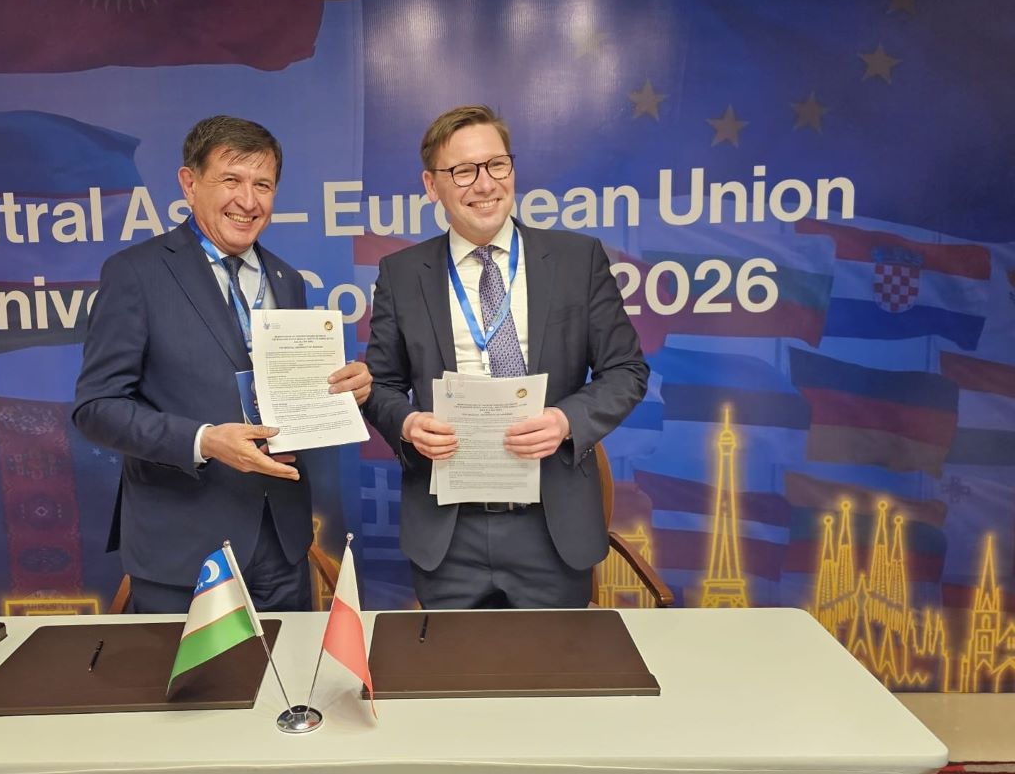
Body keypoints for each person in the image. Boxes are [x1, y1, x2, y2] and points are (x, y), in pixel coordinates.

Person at [74, 116, 370, 613]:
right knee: (196, 693)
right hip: (184, 548)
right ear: (189, 184)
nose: (248, 201)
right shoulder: (136, 273)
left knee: (286, 686)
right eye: (230, 180)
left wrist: (345, 390)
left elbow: (288, 395)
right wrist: (205, 440)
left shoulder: (287, 280)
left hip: (281, 543)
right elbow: (97, 407)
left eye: (263, 185)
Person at [363, 105, 648, 609]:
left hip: (551, 522)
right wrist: (407, 425)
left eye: (497, 165)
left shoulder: (576, 260)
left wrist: (565, 419)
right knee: (453, 682)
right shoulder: (401, 273)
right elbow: (381, 387)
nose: (485, 184)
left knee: (553, 680)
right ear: (432, 186)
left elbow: (626, 371)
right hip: (449, 531)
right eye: (463, 171)